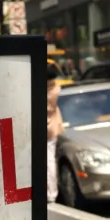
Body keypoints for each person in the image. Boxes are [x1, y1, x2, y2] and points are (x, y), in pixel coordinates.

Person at [47, 62, 64, 203]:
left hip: (47, 126)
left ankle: (51, 192)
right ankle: (52, 192)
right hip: (53, 125)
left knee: (49, 161)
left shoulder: (46, 90)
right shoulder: (56, 88)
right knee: (50, 159)